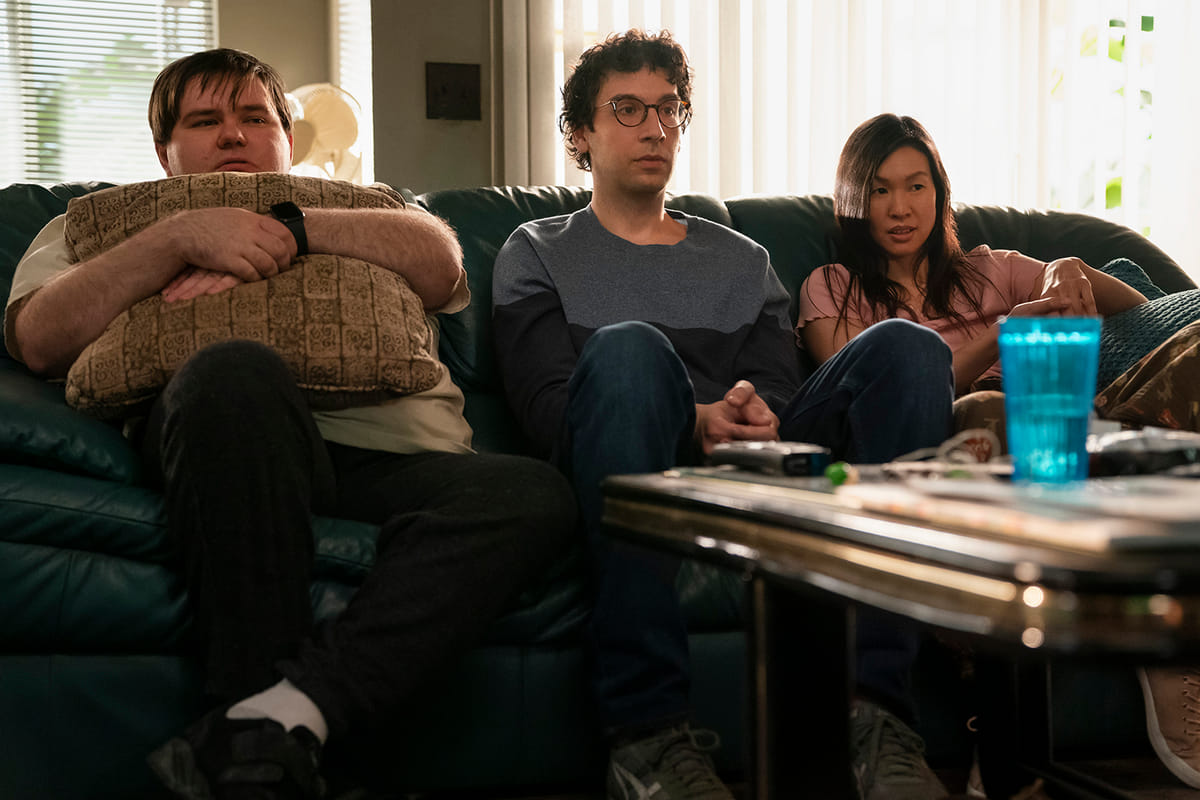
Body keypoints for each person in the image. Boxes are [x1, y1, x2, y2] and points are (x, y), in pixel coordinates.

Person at [4, 48, 576, 799]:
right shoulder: (91, 224)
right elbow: (39, 339)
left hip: (391, 459)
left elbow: (441, 262)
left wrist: (289, 227)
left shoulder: (363, 204)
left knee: (535, 493)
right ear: (165, 152)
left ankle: (266, 729)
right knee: (234, 370)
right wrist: (178, 237)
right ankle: (265, 736)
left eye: (255, 117)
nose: (233, 134)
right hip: (225, 437)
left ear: (287, 136)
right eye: (204, 121)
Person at [493, 30, 956, 800]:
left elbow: (778, 395)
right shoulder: (536, 250)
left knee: (910, 348)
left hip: (755, 468)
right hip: (628, 454)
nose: (655, 128)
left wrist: (751, 417)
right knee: (630, 349)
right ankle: (646, 737)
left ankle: (876, 717)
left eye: (668, 109)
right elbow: (549, 409)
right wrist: (697, 418)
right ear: (580, 134)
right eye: (628, 109)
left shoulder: (743, 259)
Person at [797, 111, 1200, 790]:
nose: (900, 207)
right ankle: (1023, 725)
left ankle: (1158, 574)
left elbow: (1143, 316)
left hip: (1074, 418)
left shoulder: (993, 269)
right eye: (881, 190)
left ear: (939, 193)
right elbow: (868, 388)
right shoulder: (830, 286)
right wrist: (1004, 334)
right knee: (987, 412)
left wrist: (1071, 272)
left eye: (916, 186)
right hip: (963, 440)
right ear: (853, 201)